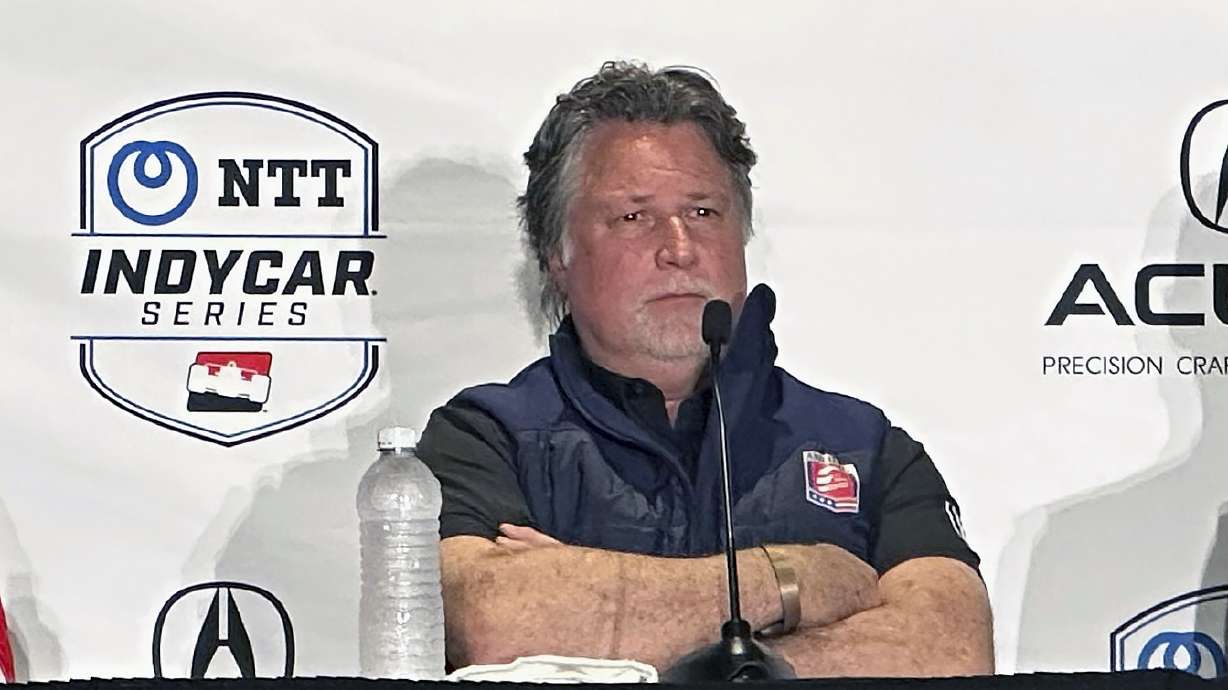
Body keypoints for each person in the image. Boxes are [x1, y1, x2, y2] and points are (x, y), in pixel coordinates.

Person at [416, 60, 994, 678]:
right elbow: (493, 623)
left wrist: (600, 619)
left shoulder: (864, 445)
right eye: (633, 217)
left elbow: (949, 652)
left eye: (703, 213)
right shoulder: (487, 438)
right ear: (556, 253)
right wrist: (800, 579)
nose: (680, 248)